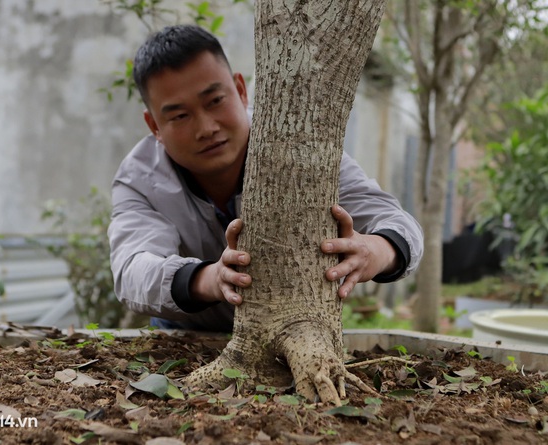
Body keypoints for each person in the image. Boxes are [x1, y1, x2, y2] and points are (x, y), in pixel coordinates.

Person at [108, 25, 423, 332]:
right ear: (154, 127)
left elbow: (399, 225)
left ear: (241, 91)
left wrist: (375, 251)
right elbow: (132, 271)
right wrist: (209, 278)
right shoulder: (139, 179)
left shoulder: (298, 147)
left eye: (215, 101)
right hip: (184, 338)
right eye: (179, 116)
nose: (206, 128)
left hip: (295, 336)